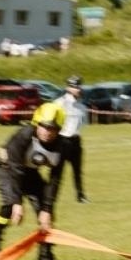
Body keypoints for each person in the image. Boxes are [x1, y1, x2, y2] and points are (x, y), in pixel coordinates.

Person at [0, 115, 67, 260]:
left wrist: (47, 209)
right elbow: (15, 168)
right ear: (37, 125)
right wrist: (17, 202)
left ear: (59, 130)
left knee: (45, 209)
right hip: (6, 167)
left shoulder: (62, 146)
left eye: (52, 129)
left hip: (29, 171)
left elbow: (55, 180)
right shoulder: (24, 135)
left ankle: (45, 254)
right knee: (9, 205)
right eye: (44, 127)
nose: (47, 132)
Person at [33, 74, 89, 202]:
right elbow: (49, 120)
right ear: (68, 87)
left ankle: (80, 196)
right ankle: (50, 197)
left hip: (76, 140)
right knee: (57, 172)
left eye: (78, 86)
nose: (77, 89)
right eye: (74, 86)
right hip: (62, 140)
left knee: (77, 171)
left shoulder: (82, 106)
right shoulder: (59, 103)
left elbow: (83, 124)